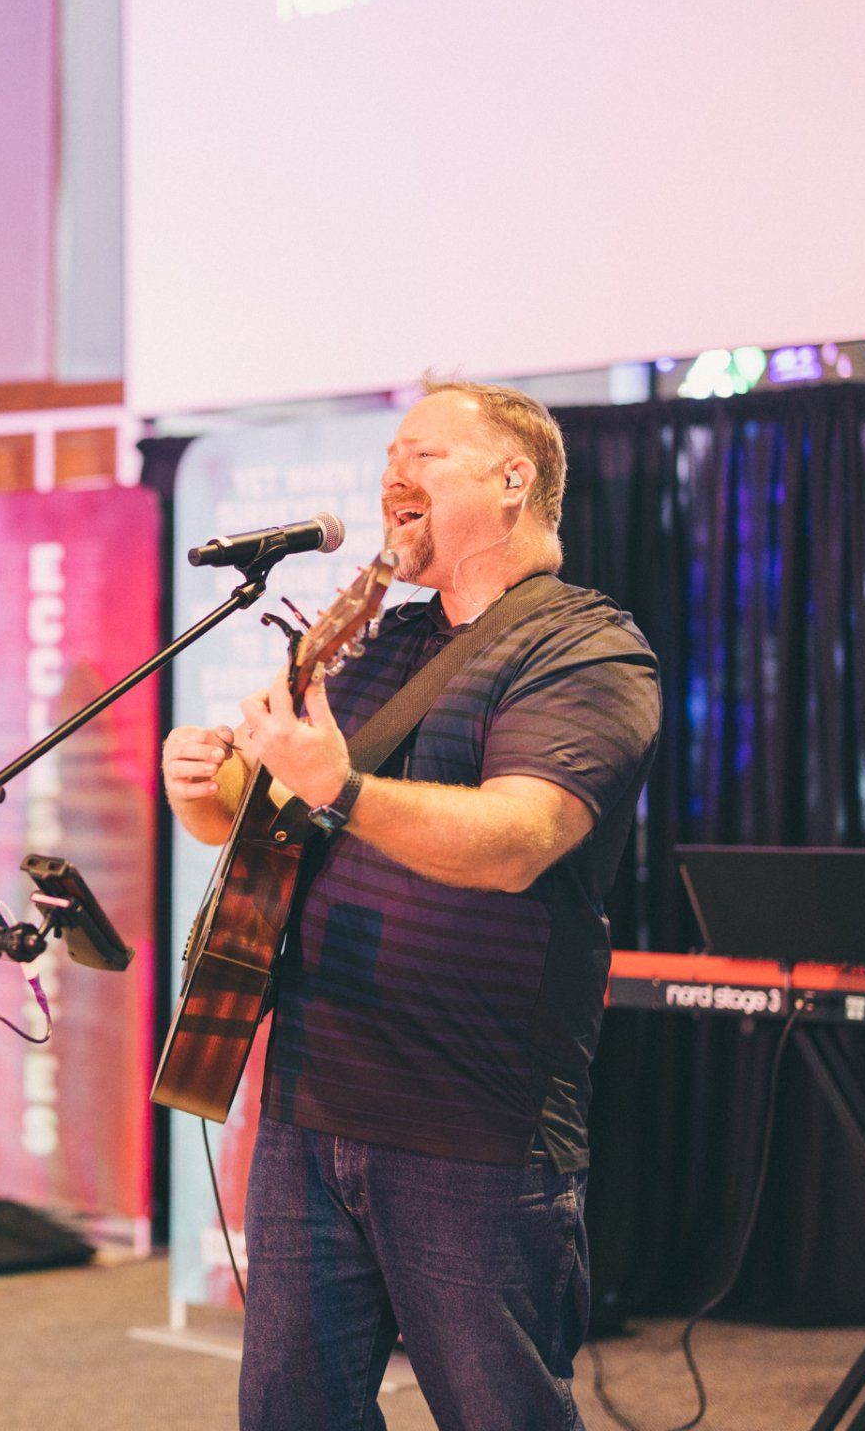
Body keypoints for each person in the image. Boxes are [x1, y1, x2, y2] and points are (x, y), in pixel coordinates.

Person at [163, 380, 661, 1430]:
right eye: (391, 453)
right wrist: (209, 792)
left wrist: (337, 782)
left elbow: (520, 841)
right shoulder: (372, 641)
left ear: (514, 479)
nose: (395, 473)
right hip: (307, 1110)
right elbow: (261, 823)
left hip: (473, 1126)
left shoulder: (584, 649)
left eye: (426, 455)